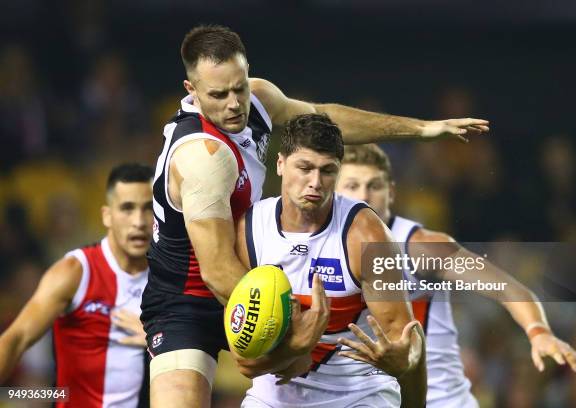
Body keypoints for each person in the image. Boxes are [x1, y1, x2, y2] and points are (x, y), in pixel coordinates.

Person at [141, 23, 488, 408]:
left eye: (239, 87)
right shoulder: (202, 158)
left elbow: (326, 119)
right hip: (187, 299)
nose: (235, 104)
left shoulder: (258, 99)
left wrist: (421, 129)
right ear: (192, 91)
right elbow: (217, 270)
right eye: (218, 95)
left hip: (249, 273)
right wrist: (292, 342)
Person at [335, 144, 576, 408]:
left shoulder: (420, 247)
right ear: (335, 192)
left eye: (374, 185)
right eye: (352, 185)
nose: (364, 195)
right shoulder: (319, 248)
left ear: (392, 193)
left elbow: (506, 288)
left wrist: (538, 332)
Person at [233, 114, 425, 408]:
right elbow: (245, 363)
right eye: (305, 168)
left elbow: (406, 338)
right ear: (281, 163)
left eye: (327, 171)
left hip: (361, 392)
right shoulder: (249, 231)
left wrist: (404, 359)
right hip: (276, 394)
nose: (315, 183)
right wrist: (296, 349)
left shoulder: (368, 235)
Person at [0, 163, 154, 408]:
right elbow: (17, 339)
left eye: (148, 209)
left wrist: (156, 338)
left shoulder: (169, 279)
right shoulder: (75, 272)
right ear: (107, 215)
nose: (138, 221)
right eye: (127, 208)